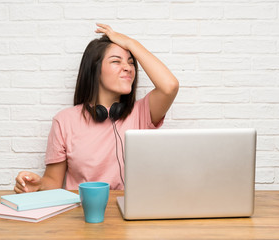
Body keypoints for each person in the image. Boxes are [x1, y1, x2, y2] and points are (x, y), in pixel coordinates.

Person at [14, 23, 179, 193]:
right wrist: (38, 185)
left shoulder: (141, 113)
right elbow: (53, 181)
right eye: (116, 61)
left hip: (128, 212)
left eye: (131, 63)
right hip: (81, 211)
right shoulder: (64, 121)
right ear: (95, 70)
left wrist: (129, 43)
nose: (128, 68)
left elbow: (170, 86)